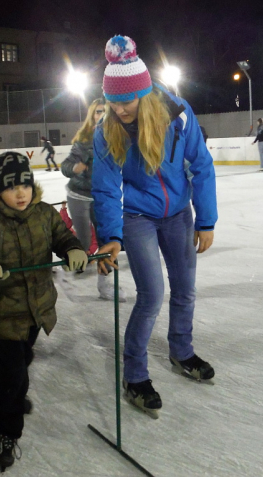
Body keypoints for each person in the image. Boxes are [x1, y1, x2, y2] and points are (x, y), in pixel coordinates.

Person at [92, 36, 218, 418]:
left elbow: (202, 164)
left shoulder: (177, 115)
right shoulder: (107, 131)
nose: (119, 108)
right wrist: (111, 237)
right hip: (138, 218)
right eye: (112, 101)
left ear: (144, 94)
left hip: (179, 214)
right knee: (152, 295)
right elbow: (105, 189)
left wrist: (206, 218)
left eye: (126, 101)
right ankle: (135, 375)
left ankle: (182, 351)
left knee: (185, 290)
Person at [0, 151, 87, 472]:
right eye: (11, 187)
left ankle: (14, 397)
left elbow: (63, 237)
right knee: (11, 370)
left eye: (25, 185)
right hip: (5, 310)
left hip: (39, 307)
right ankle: (6, 426)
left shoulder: (44, 214)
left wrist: (73, 248)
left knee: (24, 358)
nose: (20, 193)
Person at [61, 98, 127, 301]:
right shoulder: (84, 140)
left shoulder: (117, 137)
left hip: (102, 197)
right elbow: (66, 165)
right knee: (84, 240)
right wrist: (74, 168)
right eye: (98, 112)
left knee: (106, 239)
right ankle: (76, 262)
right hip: (79, 196)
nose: (101, 115)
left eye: (105, 111)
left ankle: (105, 284)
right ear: (92, 115)